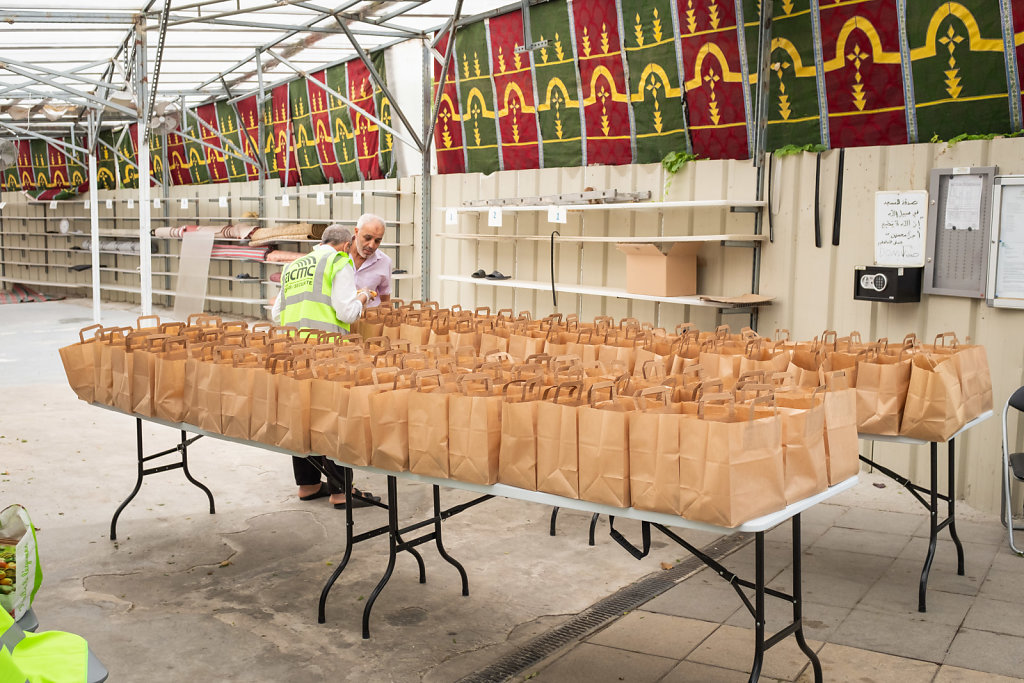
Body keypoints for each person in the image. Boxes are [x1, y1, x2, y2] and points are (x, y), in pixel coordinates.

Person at [271, 224, 381, 509]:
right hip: (327, 351)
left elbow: (275, 311)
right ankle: (341, 492)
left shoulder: (294, 265)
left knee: (302, 416)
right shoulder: (338, 261)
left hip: (293, 350)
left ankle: (308, 486)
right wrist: (363, 296)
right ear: (346, 245)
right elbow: (346, 311)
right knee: (333, 418)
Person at [349, 213, 392, 309]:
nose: (372, 245)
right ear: (356, 232)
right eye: (367, 238)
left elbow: (385, 299)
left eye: (377, 241)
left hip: (369, 319)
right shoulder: (338, 254)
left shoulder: (384, 262)